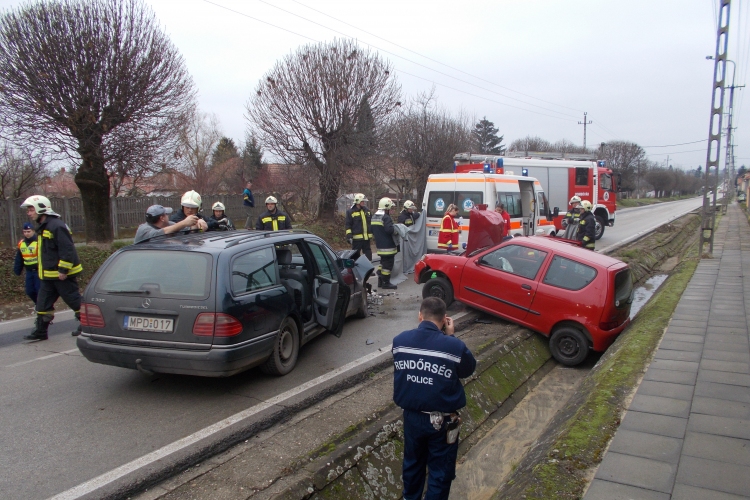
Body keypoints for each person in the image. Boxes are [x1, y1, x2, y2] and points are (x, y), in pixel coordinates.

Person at [392, 297, 477, 500]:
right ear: (444, 319)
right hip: (443, 422)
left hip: (412, 418)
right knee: (440, 473)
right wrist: (451, 336)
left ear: (420, 316)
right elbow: (467, 369)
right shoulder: (453, 347)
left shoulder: (400, 342)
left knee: (412, 466)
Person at [19, 195, 83, 341]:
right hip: (49, 276)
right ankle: (41, 331)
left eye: (31, 209)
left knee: (74, 301)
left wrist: (63, 269)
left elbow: (67, 249)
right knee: (42, 303)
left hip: (61, 275)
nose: (29, 213)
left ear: (41, 208)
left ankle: (88, 325)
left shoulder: (57, 225)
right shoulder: (44, 226)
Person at [134, 205, 200, 243]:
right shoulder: (143, 230)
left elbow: (186, 230)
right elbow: (157, 234)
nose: (168, 216)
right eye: (166, 214)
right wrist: (183, 223)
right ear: (162, 218)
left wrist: (196, 223)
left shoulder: (168, 224)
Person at [371, 197, 398, 289]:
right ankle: (386, 283)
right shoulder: (386, 217)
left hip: (379, 245)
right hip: (388, 246)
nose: (391, 210)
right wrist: (397, 230)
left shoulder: (374, 216)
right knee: (388, 265)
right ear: (386, 208)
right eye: (390, 208)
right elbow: (389, 230)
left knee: (382, 263)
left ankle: (380, 281)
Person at [13, 222, 41, 305]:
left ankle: (42, 308)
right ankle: (39, 305)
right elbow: (19, 257)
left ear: (33, 231)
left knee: (39, 290)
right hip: (29, 272)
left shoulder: (38, 242)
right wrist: (17, 270)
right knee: (29, 291)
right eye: (25, 232)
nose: (26, 233)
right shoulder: (21, 243)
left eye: (28, 231)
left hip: (38, 271)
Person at [345, 193, 372, 261]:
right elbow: (348, 225)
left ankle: (369, 270)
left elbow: (371, 223)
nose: (364, 203)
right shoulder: (350, 212)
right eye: (362, 201)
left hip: (366, 239)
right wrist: (349, 236)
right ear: (357, 202)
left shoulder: (367, 211)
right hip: (357, 240)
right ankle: (356, 270)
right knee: (355, 256)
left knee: (368, 255)